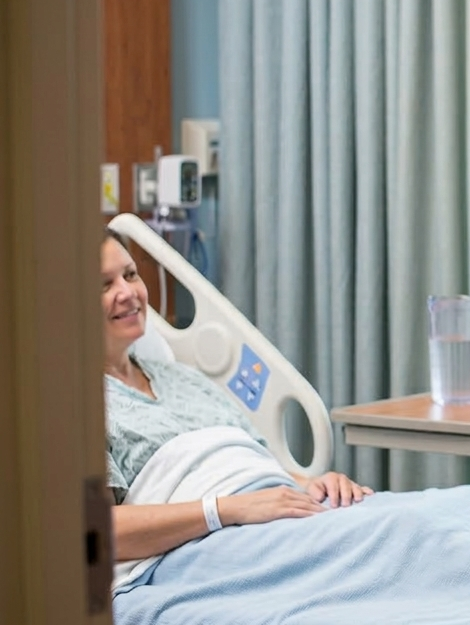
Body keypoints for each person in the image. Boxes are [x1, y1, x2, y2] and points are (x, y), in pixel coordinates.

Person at [101, 229, 372, 562]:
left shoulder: (184, 379)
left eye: (130, 275)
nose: (128, 292)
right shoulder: (79, 409)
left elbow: (253, 467)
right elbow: (97, 532)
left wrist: (313, 484)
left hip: (280, 516)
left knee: (408, 519)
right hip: (220, 544)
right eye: (104, 285)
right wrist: (223, 510)